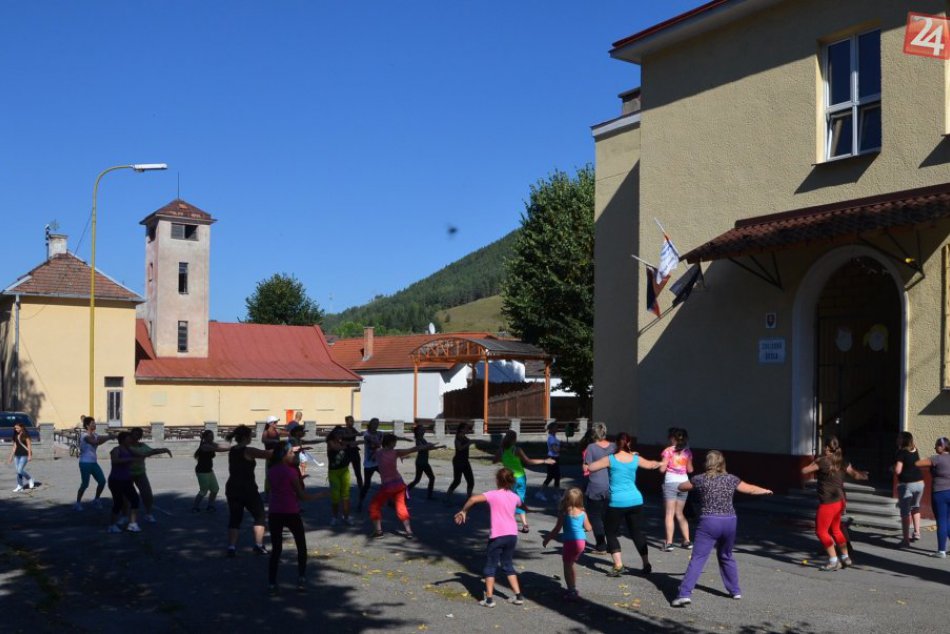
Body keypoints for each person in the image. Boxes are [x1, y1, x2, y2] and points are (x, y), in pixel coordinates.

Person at [670, 450, 773, 607]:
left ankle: (684, 593)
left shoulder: (700, 479)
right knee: (726, 555)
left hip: (709, 522)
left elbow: (682, 487)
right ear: (722, 463)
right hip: (730, 521)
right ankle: (735, 591)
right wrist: (765, 490)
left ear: (707, 463)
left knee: (698, 558)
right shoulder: (731, 479)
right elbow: (750, 489)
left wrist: (679, 484)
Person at [587, 432, 661, 577]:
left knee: (610, 532)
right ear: (629, 443)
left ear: (616, 444)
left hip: (617, 502)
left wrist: (604, 460)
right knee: (636, 532)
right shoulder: (635, 458)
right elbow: (652, 465)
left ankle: (619, 565)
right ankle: (646, 563)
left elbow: (591, 467)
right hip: (636, 500)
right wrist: (662, 463)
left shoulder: (611, 459)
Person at [454, 467, 526, 607]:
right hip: (512, 535)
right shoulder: (515, 497)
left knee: (490, 567)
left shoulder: (493, 494)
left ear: (497, 480)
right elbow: (521, 505)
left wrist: (464, 511)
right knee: (508, 565)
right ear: (511, 481)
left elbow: (473, 499)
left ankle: (489, 599)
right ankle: (518, 596)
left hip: (498, 536)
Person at [266, 441, 328, 594]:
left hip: (274, 512)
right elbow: (302, 496)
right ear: (284, 455)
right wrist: (320, 495)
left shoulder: (271, 470)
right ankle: (301, 579)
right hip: (290, 511)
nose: (294, 455)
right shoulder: (290, 472)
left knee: (276, 549)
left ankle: (272, 583)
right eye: (291, 453)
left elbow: (272, 489)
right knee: (301, 546)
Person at [801, 436, 869, 571]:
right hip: (839, 500)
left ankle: (833, 560)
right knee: (836, 530)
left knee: (821, 531)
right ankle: (845, 557)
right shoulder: (842, 460)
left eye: (824, 446)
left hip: (827, 502)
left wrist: (816, 460)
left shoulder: (822, 461)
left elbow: (804, 470)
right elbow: (854, 474)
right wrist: (864, 475)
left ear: (826, 448)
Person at [368, 433, 441, 538]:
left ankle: (378, 531)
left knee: (374, 506)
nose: (396, 443)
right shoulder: (395, 452)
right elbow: (413, 449)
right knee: (401, 506)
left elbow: (374, 450)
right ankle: (409, 531)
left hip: (388, 486)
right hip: (399, 484)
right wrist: (427, 446)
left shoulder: (379, 453)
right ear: (390, 442)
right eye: (394, 441)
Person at [225, 425, 273, 557]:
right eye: (250, 435)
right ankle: (258, 545)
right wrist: (287, 448)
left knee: (235, 518)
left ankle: (231, 547)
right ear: (246, 437)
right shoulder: (249, 450)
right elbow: (267, 454)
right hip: (247, 489)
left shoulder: (233, 450)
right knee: (260, 516)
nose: (252, 437)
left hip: (232, 488)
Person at [493, 430, 554, 533]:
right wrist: (544, 460)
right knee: (520, 501)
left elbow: (494, 460)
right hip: (520, 477)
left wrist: (503, 459)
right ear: (514, 439)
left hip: (508, 478)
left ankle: (506, 524)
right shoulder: (516, 450)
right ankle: (525, 525)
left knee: (508, 501)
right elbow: (528, 461)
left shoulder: (502, 450)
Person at [542, 487, 592, 601]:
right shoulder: (583, 513)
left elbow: (556, 529)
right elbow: (589, 528)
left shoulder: (564, 513)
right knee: (571, 564)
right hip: (581, 543)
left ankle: (571, 590)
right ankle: (573, 586)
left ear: (567, 499)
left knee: (566, 566)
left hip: (569, 543)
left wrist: (547, 539)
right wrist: (580, 529)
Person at [582, 422, 615, 554]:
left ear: (593, 434)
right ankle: (613, 545)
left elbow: (586, 467)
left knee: (595, 516)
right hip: (611, 485)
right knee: (608, 516)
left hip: (595, 485)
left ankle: (601, 545)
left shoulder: (591, 447)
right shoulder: (614, 446)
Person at [659, 427, 694, 551]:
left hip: (670, 482)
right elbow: (690, 470)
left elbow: (662, 469)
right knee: (680, 513)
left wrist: (661, 465)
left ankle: (669, 543)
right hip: (684, 482)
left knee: (669, 513)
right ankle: (687, 541)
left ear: (672, 438)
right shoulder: (687, 452)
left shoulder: (668, 451)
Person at [915, 436, 950, 558]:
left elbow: (917, 463)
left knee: (941, 521)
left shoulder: (937, 459)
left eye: (936, 445)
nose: (934, 447)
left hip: (940, 493)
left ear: (942, 447)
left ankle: (941, 551)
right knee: (948, 521)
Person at [128, 427, 172, 523]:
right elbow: (139, 453)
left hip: (140, 473)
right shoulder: (126, 446)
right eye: (134, 434)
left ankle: (148, 514)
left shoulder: (142, 445)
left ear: (140, 437)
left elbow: (152, 451)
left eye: (138, 435)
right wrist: (143, 454)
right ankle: (124, 516)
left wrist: (164, 450)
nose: (135, 436)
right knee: (125, 497)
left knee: (147, 494)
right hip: (127, 474)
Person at [107, 432, 144, 534]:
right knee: (118, 503)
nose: (130, 441)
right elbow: (115, 461)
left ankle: (132, 524)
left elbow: (141, 454)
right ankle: (112, 525)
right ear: (123, 440)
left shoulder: (129, 450)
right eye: (128, 439)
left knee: (135, 500)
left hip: (126, 480)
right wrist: (130, 459)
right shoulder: (116, 450)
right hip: (115, 480)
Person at [75, 416, 115, 510]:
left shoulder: (95, 435)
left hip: (93, 463)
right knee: (85, 484)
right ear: (87, 425)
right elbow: (95, 442)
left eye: (94, 423)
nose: (94, 424)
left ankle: (96, 499)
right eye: (92, 423)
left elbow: (100, 438)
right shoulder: (84, 436)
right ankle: (77, 503)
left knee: (102, 481)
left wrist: (112, 436)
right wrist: (108, 437)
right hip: (84, 463)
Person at [893, 431, 924, 547]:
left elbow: (898, 470)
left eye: (899, 438)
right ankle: (917, 532)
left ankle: (905, 540)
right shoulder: (915, 450)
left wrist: (893, 468)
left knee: (905, 513)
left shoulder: (901, 452)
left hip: (907, 485)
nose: (897, 439)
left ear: (904, 440)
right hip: (920, 484)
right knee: (915, 507)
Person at [192, 429, 230, 512]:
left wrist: (230, 446)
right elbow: (218, 449)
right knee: (203, 491)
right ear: (205, 437)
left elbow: (219, 445)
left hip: (209, 470)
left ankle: (210, 505)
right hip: (202, 471)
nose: (211, 438)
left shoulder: (210, 443)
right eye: (209, 436)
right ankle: (195, 507)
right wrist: (231, 449)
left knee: (215, 489)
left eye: (212, 436)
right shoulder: (205, 446)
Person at [325, 426, 354, 526]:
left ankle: (346, 516)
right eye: (338, 433)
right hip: (334, 472)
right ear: (334, 434)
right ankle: (334, 517)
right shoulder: (330, 442)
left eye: (342, 433)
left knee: (346, 495)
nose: (340, 435)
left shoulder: (343, 442)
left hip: (344, 471)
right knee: (335, 496)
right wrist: (347, 446)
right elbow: (335, 448)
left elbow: (352, 443)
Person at [358, 418, 385, 510]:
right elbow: (376, 444)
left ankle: (389, 500)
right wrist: (379, 443)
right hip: (369, 464)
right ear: (370, 424)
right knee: (367, 485)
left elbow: (382, 443)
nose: (376, 425)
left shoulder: (380, 433)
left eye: (377, 423)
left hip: (378, 462)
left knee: (387, 479)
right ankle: (360, 502)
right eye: (374, 423)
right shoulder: (367, 434)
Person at [445, 422, 475, 502]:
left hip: (465, 461)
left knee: (471, 481)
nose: (468, 429)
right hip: (458, 461)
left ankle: (469, 499)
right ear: (462, 429)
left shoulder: (464, 437)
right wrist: (469, 443)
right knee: (457, 481)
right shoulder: (458, 437)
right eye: (466, 428)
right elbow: (460, 448)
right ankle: (447, 497)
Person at [407, 422, 438, 499]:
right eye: (421, 429)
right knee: (431, 478)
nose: (423, 430)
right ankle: (429, 496)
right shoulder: (418, 440)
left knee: (417, 480)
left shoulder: (422, 439)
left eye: (423, 429)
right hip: (422, 462)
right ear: (418, 432)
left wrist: (437, 446)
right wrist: (429, 445)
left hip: (422, 462)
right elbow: (422, 447)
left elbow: (427, 448)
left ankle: (404, 491)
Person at [536, 422, 561, 501]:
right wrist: (562, 448)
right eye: (556, 427)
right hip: (551, 458)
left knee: (557, 476)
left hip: (556, 458)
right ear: (552, 429)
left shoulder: (554, 437)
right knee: (551, 476)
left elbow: (557, 448)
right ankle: (540, 493)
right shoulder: (551, 438)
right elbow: (555, 449)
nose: (557, 429)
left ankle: (556, 494)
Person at [8, 421, 34, 492]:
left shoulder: (26, 435)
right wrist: (11, 456)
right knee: (18, 471)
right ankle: (20, 486)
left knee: (20, 470)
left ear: (22, 428)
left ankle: (29, 479)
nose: (16, 429)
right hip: (17, 455)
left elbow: (29, 446)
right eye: (15, 428)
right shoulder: (15, 436)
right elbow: (14, 446)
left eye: (17, 428)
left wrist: (29, 455)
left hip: (24, 455)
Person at [341, 415, 364, 492]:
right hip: (346, 452)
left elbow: (358, 434)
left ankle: (361, 487)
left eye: (353, 421)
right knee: (344, 471)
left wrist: (362, 433)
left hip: (354, 452)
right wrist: (356, 435)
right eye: (351, 421)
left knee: (358, 471)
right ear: (346, 422)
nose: (352, 422)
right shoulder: (343, 430)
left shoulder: (353, 429)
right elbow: (345, 436)